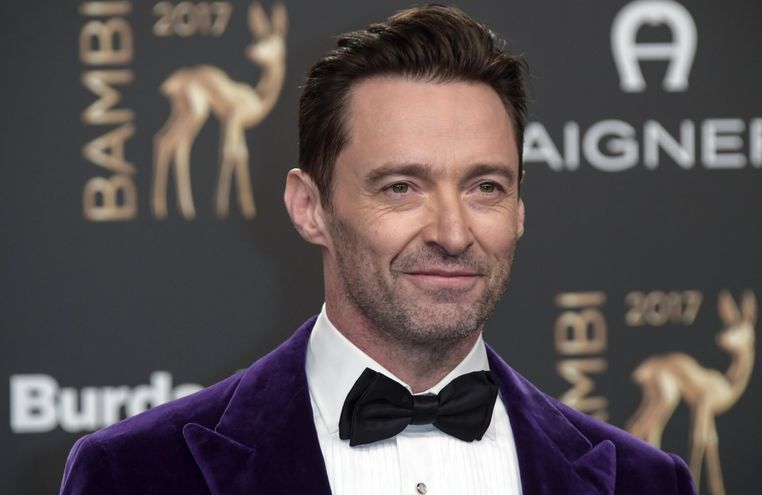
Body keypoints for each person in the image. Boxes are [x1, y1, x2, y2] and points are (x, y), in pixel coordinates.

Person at [61, 5, 694, 494]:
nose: (452, 234)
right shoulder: (135, 472)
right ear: (309, 207)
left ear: (520, 208)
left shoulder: (645, 482)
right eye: (401, 187)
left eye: (485, 188)